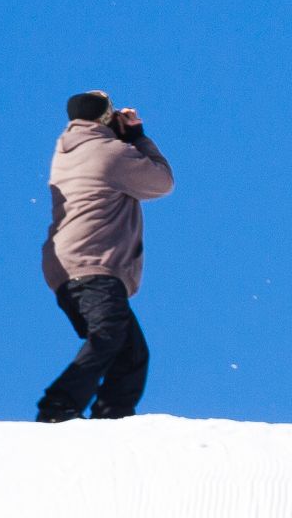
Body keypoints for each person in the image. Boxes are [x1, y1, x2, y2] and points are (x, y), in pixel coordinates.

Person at [36, 91, 174, 422]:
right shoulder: (108, 153)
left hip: (68, 263)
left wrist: (117, 133)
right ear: (104, 119)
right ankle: (59, 405)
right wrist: (138, 137)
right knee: (108, 335)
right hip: (92, 262)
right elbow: (162, 182)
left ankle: (112, 418)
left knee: (131, 352)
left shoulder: (69, 148)